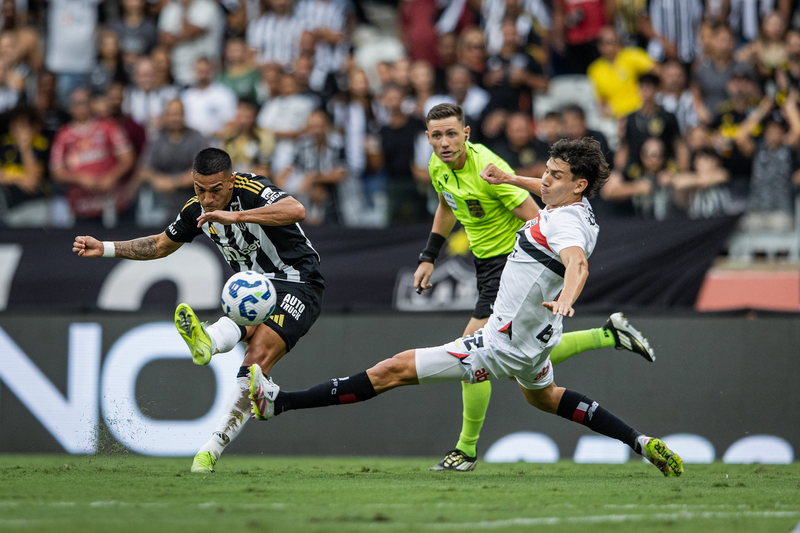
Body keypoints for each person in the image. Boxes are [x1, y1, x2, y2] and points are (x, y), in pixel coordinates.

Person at [247, 137, 684, 479]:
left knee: (390, 370)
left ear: (579, 184)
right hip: (535, 339)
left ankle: (279, 403)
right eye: (546, 172)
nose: (544, 180)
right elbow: (545, 192)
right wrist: (510, 179)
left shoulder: (566, 222)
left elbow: (578, 263)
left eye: (555, 175)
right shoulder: (575, 206)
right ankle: (641, 442)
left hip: (500, 343)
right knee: (546, 397)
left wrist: (568, 297)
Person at [411, 103, 655, 471]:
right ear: (428, 138)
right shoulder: (439, 164)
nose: (443, 142)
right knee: (523, 367)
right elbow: (448, 204)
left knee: (470, 357)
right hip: (488, 266)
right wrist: (429, 255)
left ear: (466, 133)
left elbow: (542, 219)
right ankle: (607, 335)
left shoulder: (486, 166)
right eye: (436, 135)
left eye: (450, 134)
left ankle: (466, 450)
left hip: (510, 267)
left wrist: (557, 283)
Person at [71, 147, 325, 474]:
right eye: (199, 189)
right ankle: (208, 443)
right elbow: (160, 245)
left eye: (215, 190)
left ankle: (213, 343)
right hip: (256, 288)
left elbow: (296, 209)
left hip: (298, 281)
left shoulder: (252, 189)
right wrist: (105, 248)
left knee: (257, 354)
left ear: (230, 181)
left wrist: (236, 216)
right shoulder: (196, 211)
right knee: (251, 375)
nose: (207, 199)